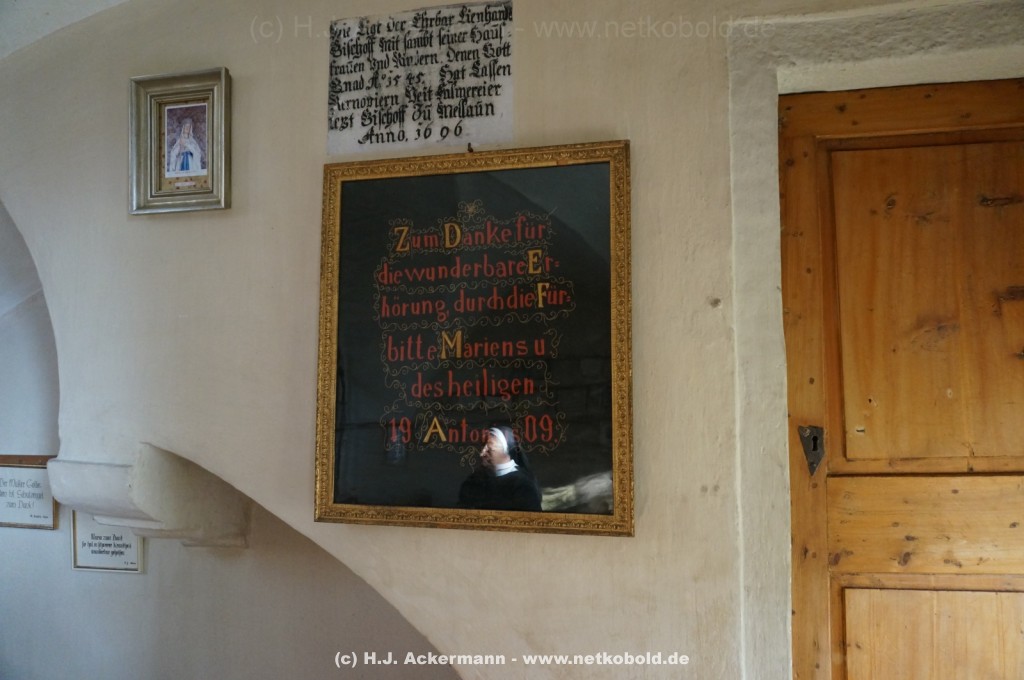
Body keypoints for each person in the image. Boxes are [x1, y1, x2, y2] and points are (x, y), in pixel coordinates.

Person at [458, 426, 541, 511]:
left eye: (489, 448)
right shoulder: (474, 480)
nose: (482, 454)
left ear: (505, 451)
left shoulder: (523, 485)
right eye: (483, 447)